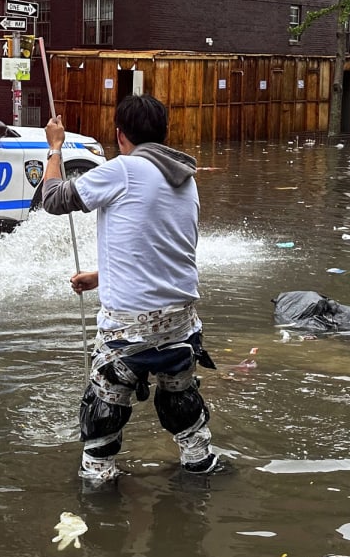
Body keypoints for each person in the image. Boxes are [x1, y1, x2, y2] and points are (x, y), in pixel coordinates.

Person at [41, 94, 223, 485]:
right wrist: (100, 276)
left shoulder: (122, 169)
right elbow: (159, 248)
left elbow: (52, 200)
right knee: (182, 404)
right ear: (163, 133)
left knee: (103, 413)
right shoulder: (184, 177)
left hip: (129, 329)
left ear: (120, 136)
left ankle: (100, 490)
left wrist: (54, 148)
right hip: (182, 324)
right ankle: (199, 468)